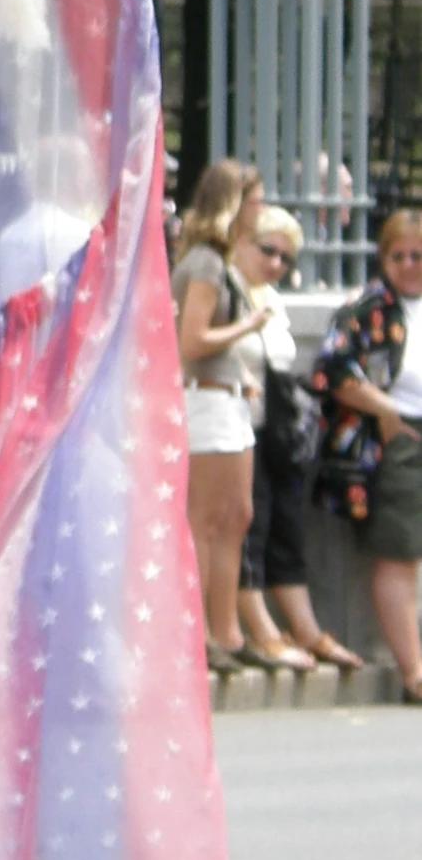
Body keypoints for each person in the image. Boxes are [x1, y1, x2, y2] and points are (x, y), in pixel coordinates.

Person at [233, 205, 361, 671]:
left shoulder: (272, 295)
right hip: (238, 424)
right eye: (267, 251)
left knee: (285, 524)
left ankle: (304, 629)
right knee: (250, 525)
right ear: (241, 242)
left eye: (286, 259)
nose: (276, 265)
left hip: (280, 429)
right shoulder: (227, 286)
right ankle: (258, 630)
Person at [312, 208, 422, 700]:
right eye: (398, 255)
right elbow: (331, 370)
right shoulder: (367, 307)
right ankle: (414, 672)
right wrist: (384, 411)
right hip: (399, 439)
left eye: (418, 255)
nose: (409, 264)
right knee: (399, 554)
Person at [172, 158, 270, 673]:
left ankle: (227, 632)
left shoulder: (219, 260)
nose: (262, 210)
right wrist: (248, 326)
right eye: (255, 200)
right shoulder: (207, 262)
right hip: (204, 398)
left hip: (225, 396)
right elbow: (193, 338)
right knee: (206, 520)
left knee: (236, 516)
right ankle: (204, 633)